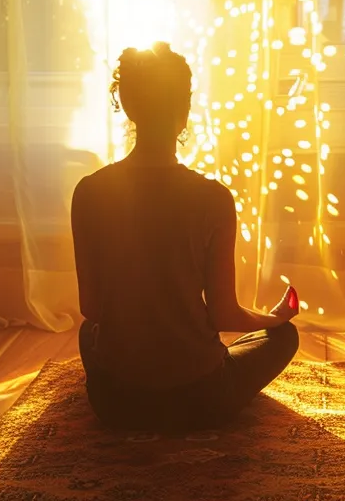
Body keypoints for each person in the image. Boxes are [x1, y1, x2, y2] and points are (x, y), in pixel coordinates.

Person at [70, 43, 300, 432]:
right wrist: (273, 318)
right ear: (185, 106)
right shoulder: (212, 198)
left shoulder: (89, 192)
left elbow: (92, 308)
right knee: (284, 337)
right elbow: (224, 314)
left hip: (116, 405)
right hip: (201, 400)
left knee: (87, 333)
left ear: (126, 104)